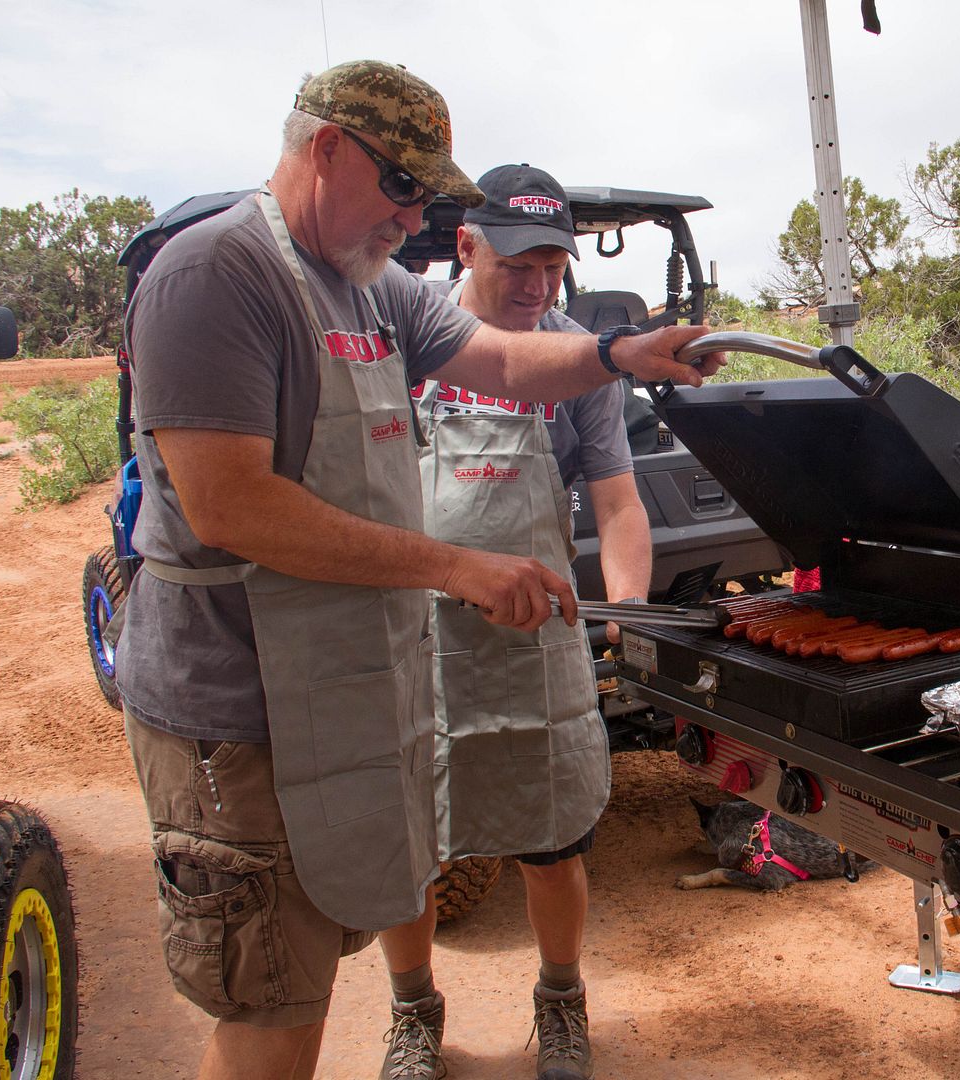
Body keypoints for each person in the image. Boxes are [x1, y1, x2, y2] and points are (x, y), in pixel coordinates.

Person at [116, 60, 719, 1080]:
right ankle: (412, 1011)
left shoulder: (374, 287)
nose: (415, 218)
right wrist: (454, 567)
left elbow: (501, 361)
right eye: (402, 187)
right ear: (324, 150)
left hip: (341, 680)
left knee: (297, 982)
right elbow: (232, 506)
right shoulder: (214, 277)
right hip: (238, 706)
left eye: (428, 197)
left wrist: (622, 356)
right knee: (268, 997)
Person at [374, 163, 647, 1080]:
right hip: (411, 628)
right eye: (515, 267)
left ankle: (561, 1000)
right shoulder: (402, 326)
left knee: (553, 835)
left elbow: (615, 503)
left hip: (535, 636)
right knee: (407, 843)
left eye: (552, 269)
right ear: (465, 245)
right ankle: (414, 1013)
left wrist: (630, 613)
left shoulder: (576, 356)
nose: (536, 289)